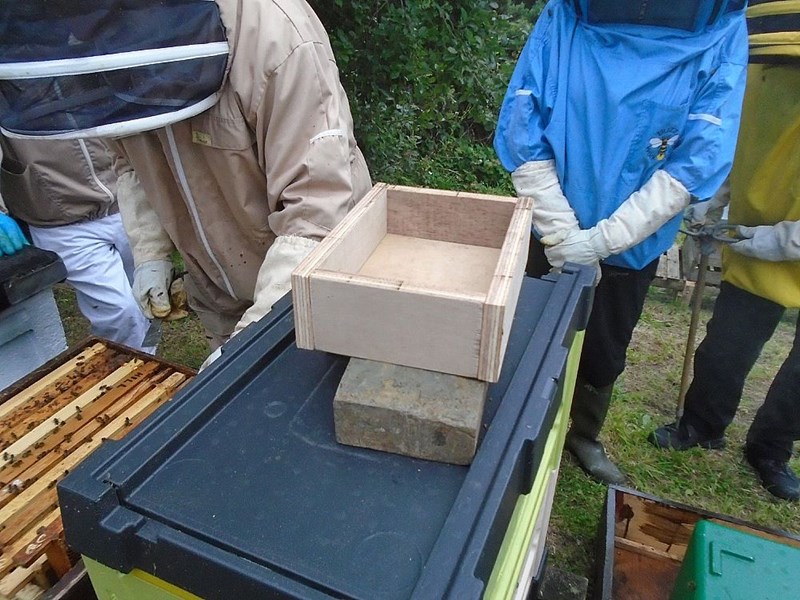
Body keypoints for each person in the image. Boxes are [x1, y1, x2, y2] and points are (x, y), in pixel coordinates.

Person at [0, 0, 372, 368]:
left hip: (317, 288)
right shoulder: (99, 38)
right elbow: (130, 161)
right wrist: (150, 253)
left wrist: (242, 352)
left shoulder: (273, 37)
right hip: (217, 294)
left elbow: (316, 211)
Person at [494, 0, 749, 484]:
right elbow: (523, 122)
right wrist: (562, 233)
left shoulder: (722, 28)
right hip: (550, 228)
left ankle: (583, 434)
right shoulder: (565, 15)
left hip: (633, 243)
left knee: (605, 347)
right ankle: (512, 424)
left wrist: (604, 240)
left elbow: (700, 155)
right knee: (527, 330)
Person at [650, 0, 800, 502]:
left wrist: (749, 238)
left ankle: (771, 451)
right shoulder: (759, 78)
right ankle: (702, 425)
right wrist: (711, 198)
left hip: (772, 239)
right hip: (756, 239)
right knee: (725, 350)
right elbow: (739, 146)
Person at [0, 136, 157, 353]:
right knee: (119, 310)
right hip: (58, 220)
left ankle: (150, 360)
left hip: (127, 197)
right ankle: (126, 370)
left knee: (152, 298)